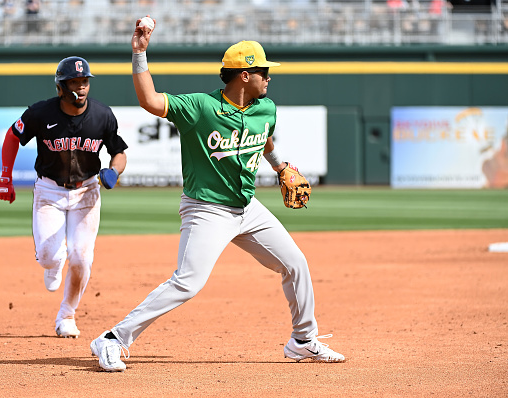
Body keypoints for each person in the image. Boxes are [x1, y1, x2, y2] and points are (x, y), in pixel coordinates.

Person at [90, 17, 345, 371]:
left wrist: (280, 166)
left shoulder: (265, 108)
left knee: (296, 264)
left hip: (247, 208)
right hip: (206, 209)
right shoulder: (200, 108)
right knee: (188, 283)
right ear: (244, 75)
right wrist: (139, 54)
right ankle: (113, 339)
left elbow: (265, 135)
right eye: (264, 71)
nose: (269, 76)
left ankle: (302, 340)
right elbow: (150, 100)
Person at [0, 56, 128, 338]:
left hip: (86, 192)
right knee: (47, 256)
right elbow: (12, 136)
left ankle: (67, 314)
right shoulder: (41, 113)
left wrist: (114, 171)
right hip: (49, 191)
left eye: (84, 82)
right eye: (74, 83)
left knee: (81, 257)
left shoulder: (102, 115)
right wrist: (5, 176)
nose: (81, 88)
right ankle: (52, 264)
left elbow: (119, 152)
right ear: (60, 87)